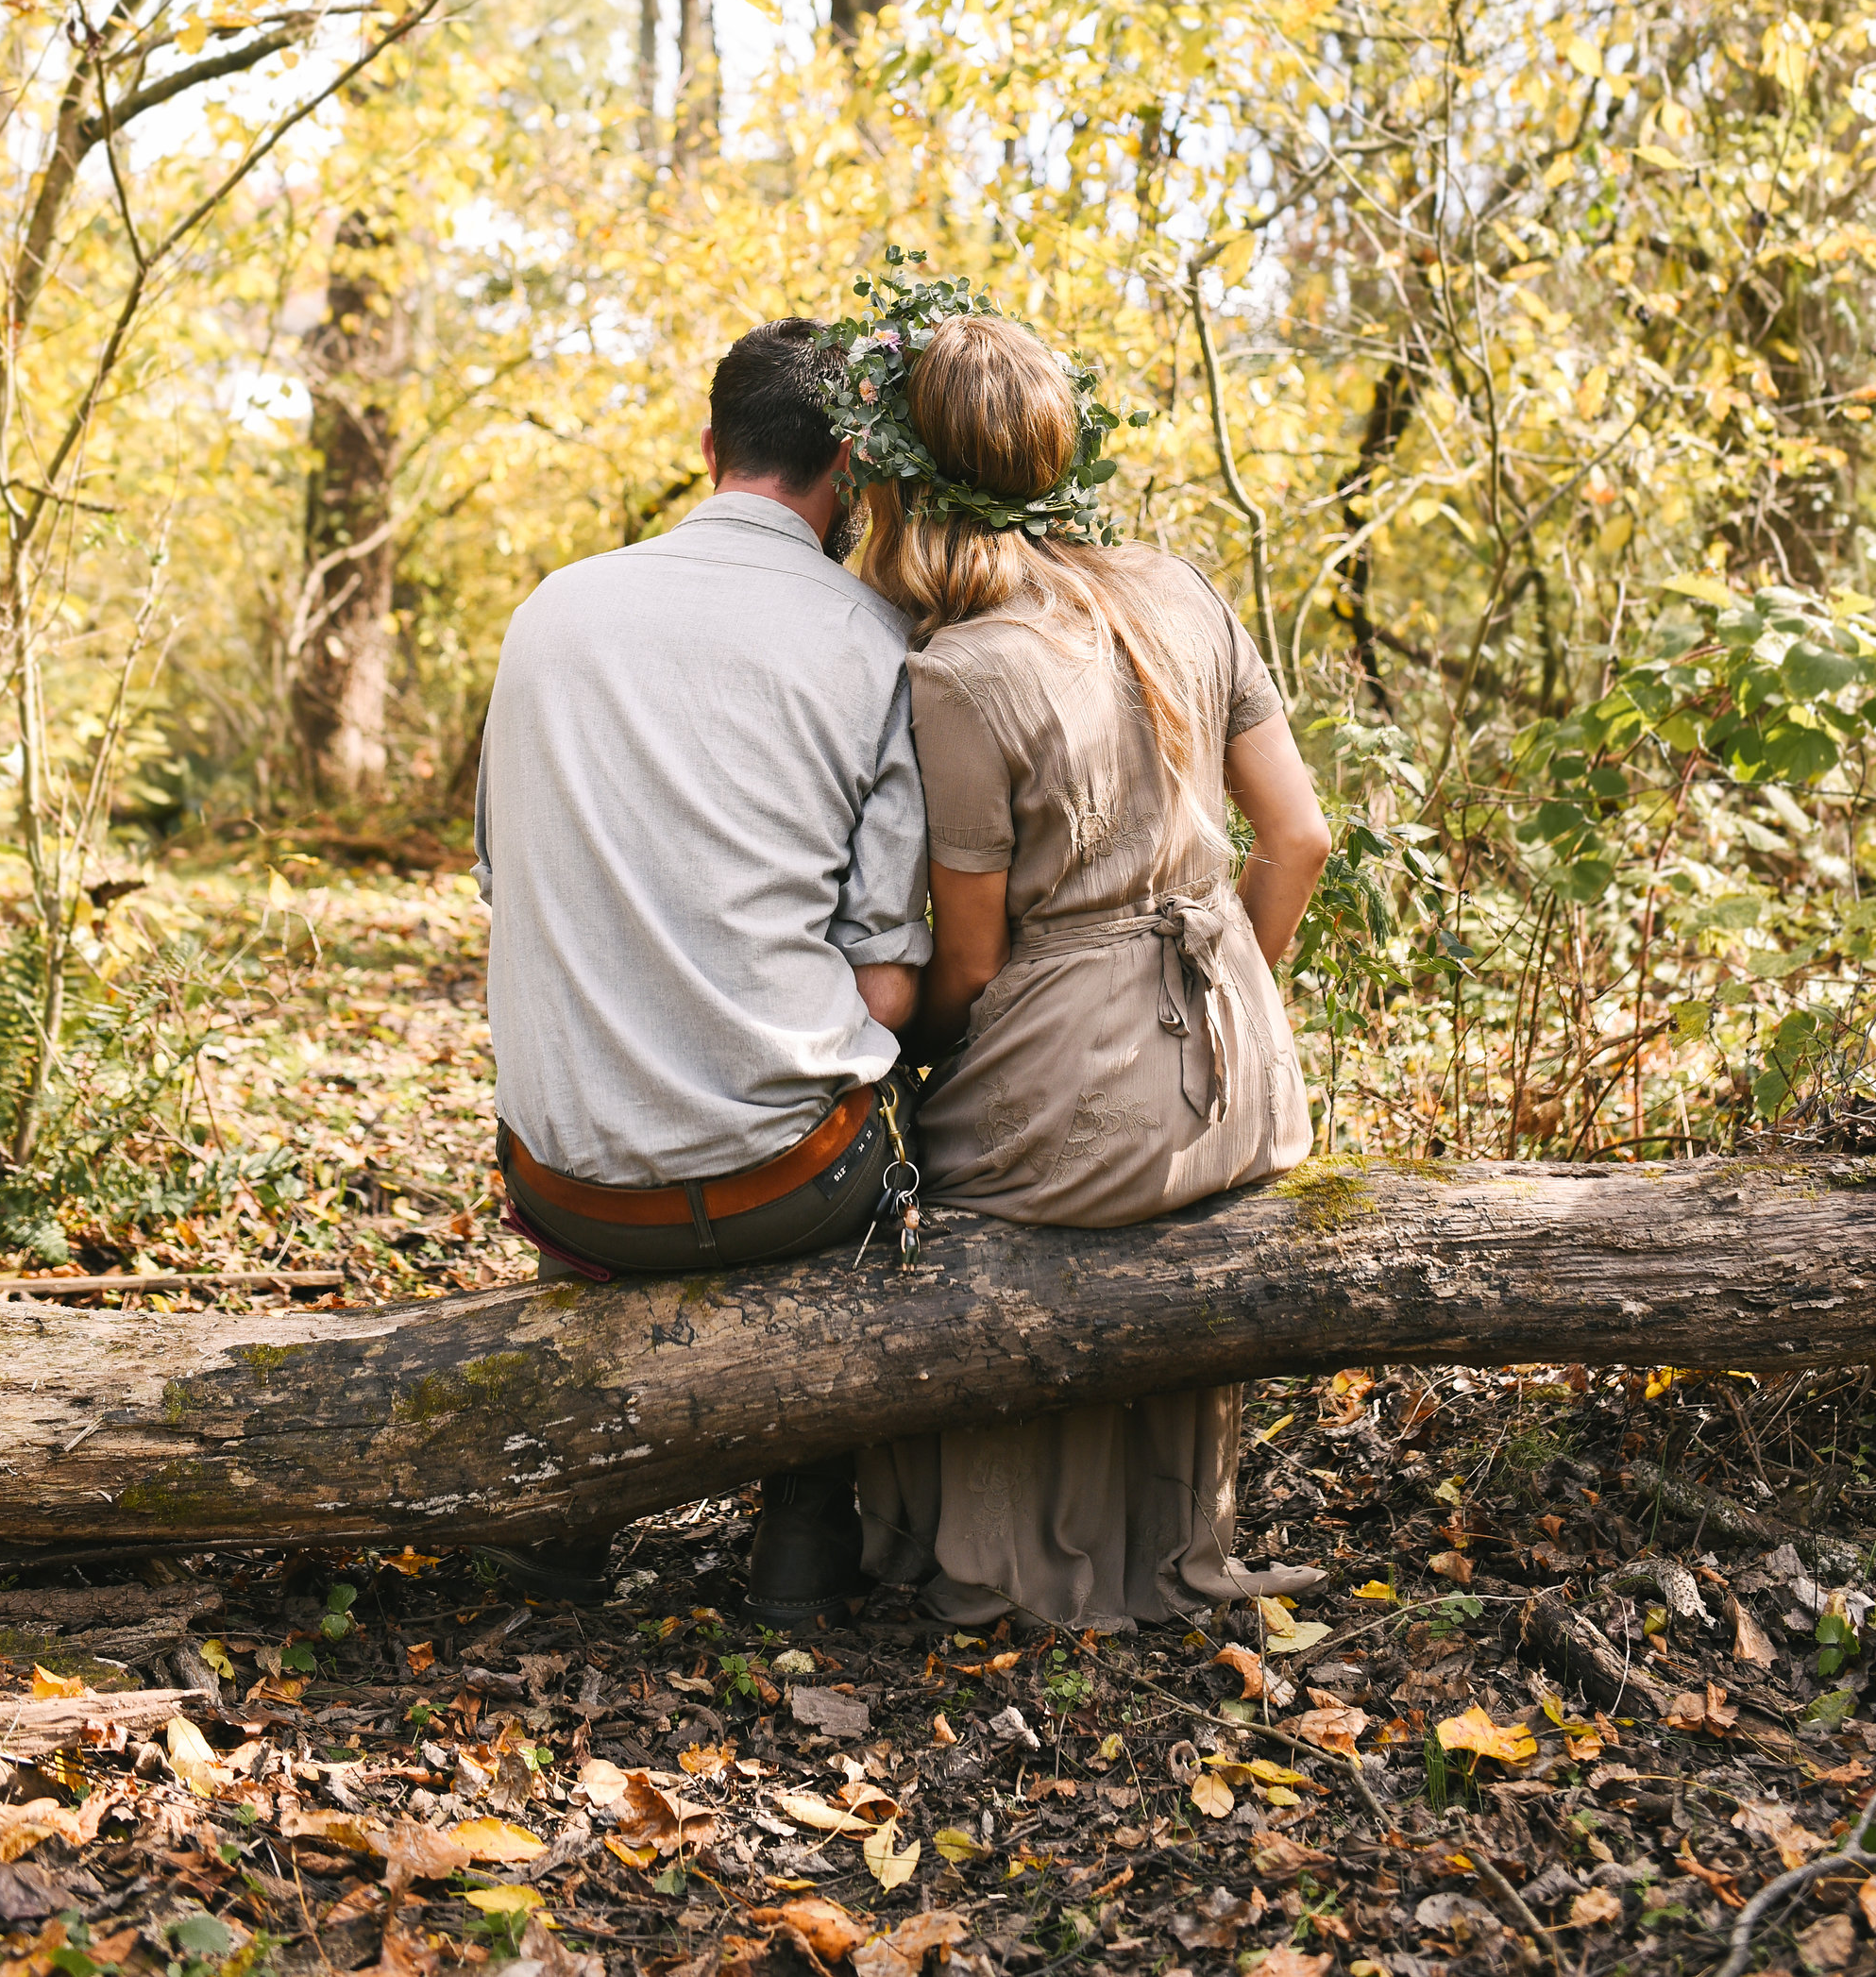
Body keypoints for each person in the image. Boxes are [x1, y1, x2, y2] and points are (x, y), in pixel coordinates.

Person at [837, 282, 1331, 1629]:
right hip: (1243, 1075)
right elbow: (1300, 839)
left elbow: (977, 966)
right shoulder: (1179, 589)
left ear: (901, 478)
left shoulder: (960, 672)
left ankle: (1006, 1563)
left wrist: (902, 1066)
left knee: (925, 1193)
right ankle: (1165, 1544)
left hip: (1080, 1081)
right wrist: (1231, 997)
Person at [473, 317, 931, 1619]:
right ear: (852, 464)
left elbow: (513, 891)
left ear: (708, 445)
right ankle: (803, 1533)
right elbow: (886, 991)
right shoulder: (875, 640)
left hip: (569, 1189)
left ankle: (568, 1520)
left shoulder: (551, 613)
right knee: (885, 1093)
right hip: (784, 1192)